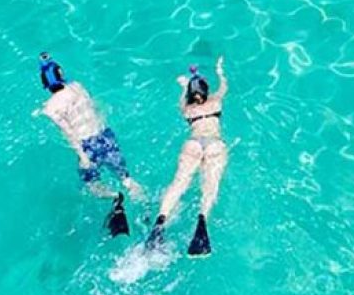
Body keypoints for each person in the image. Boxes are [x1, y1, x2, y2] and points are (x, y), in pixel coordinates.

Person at [33, 53, 144, 235]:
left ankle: (116, 198)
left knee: (91, 186)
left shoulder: (50, 108)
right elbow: (95, 107)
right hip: (105, 135)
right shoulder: (78, 87)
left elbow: (68, 132)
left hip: (87, 145)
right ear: (61, 74)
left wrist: (83, 156)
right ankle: (145, 208)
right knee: (127, 179)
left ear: (44, 83)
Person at [146, 56, 230, 256]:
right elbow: (224, 86)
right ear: (206, 92)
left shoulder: (187, 109)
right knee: (210, 186)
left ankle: (160, 221)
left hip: (192, 144)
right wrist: (219, 71)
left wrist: (184, 86)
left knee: (179, 183)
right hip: (214, 145)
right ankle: (201, 221)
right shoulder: (216, 102)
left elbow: (183, 99)